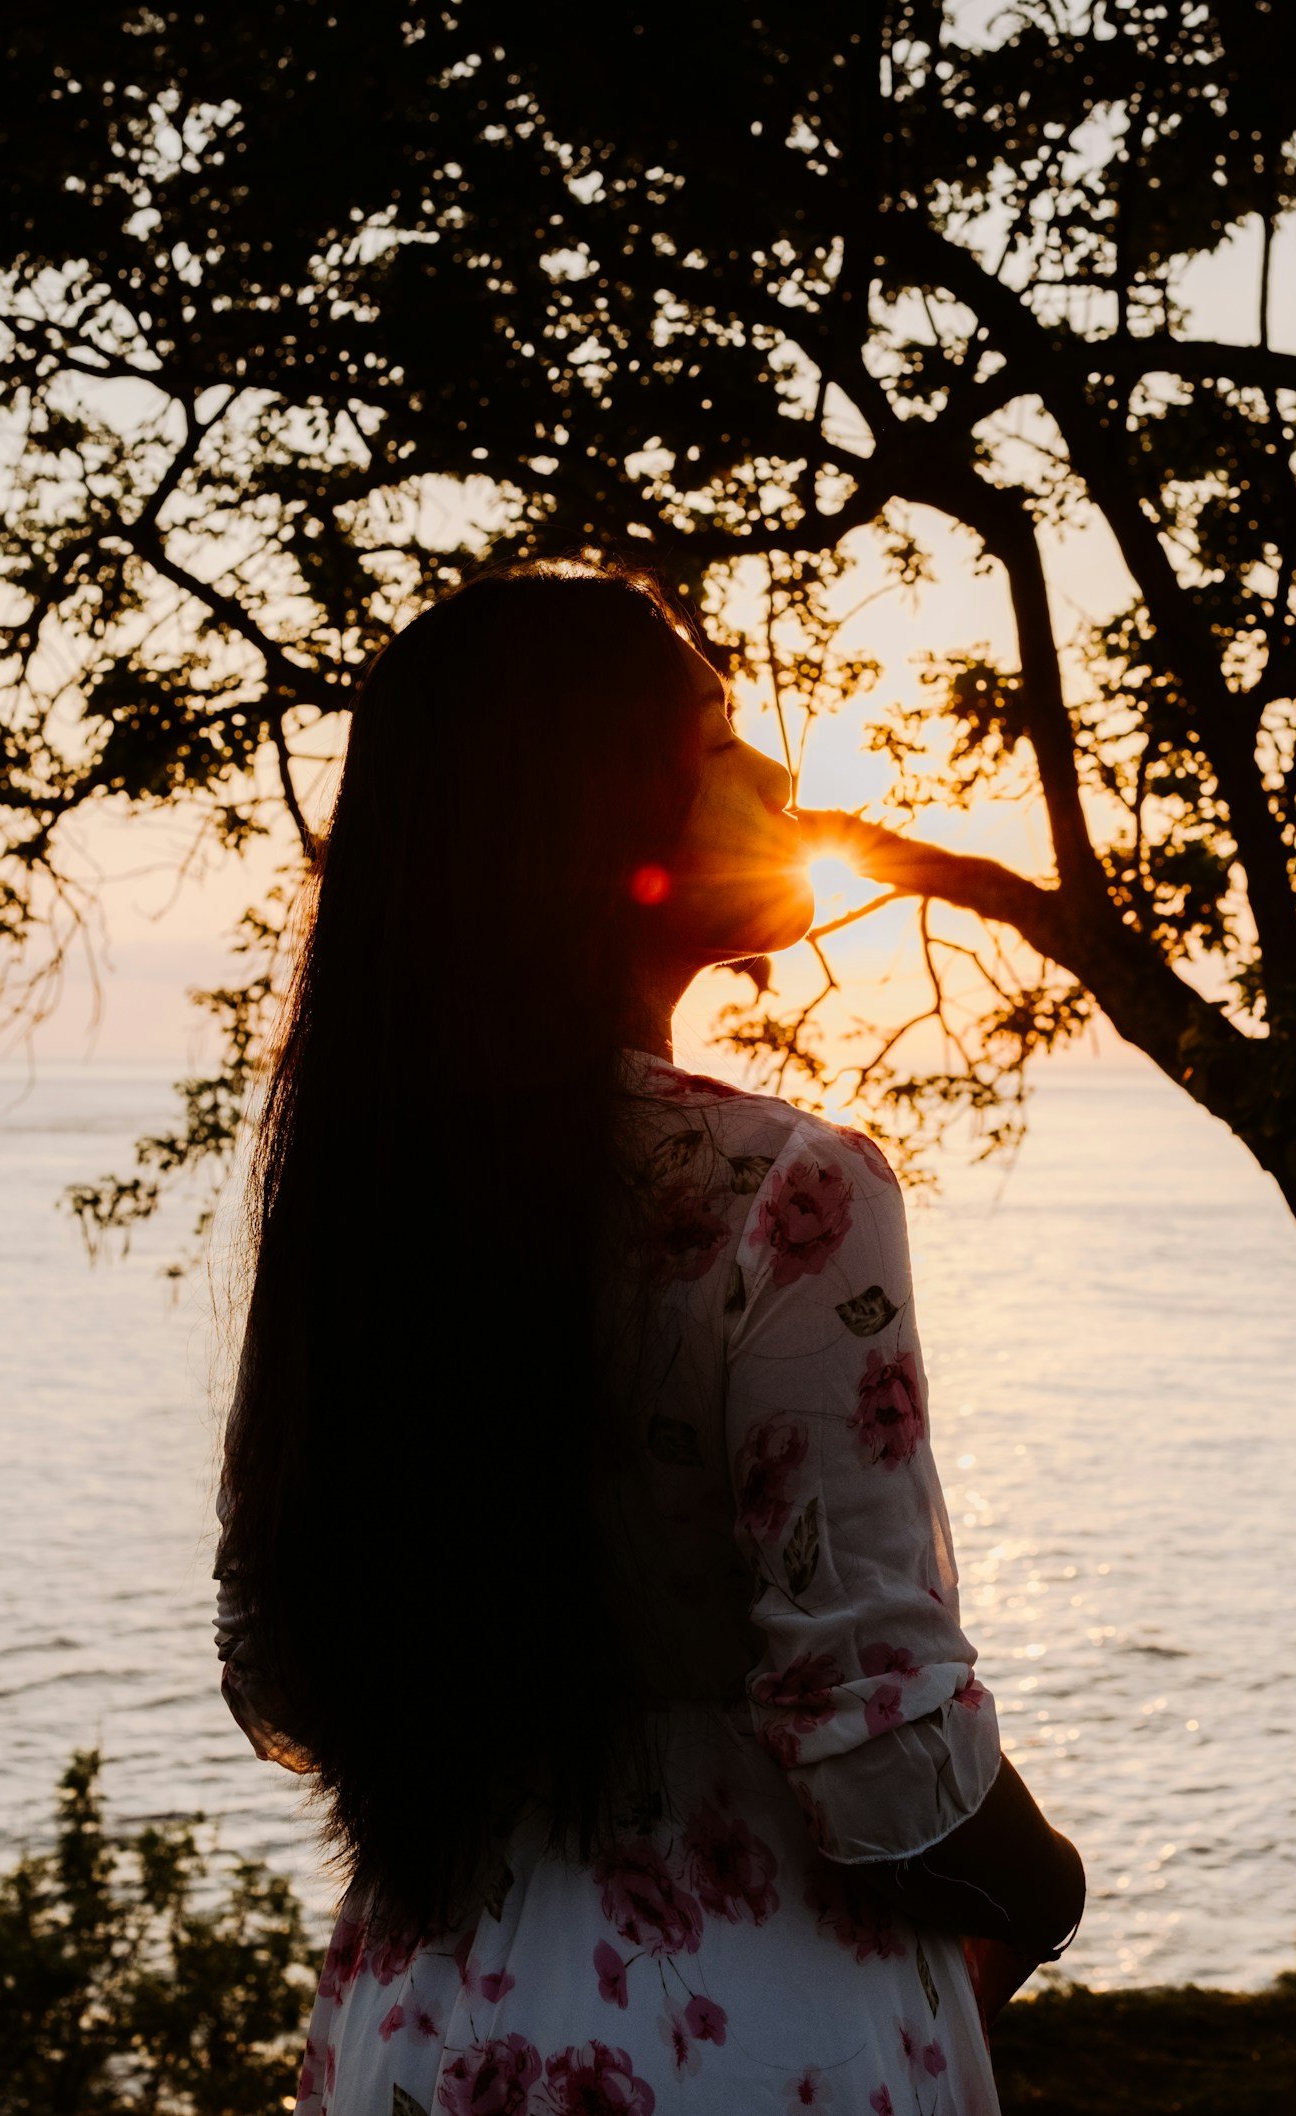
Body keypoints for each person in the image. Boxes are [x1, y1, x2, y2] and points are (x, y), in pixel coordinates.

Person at [214, 564, 1083, 2115]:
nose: (774, 779)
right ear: (592, 813)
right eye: (719, 738)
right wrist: (1043, 1887)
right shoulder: (792, 1190)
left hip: (424, 2004)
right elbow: (870, 1722)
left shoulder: (358, 1198)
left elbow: (279, 1666)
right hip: (747, 2017)